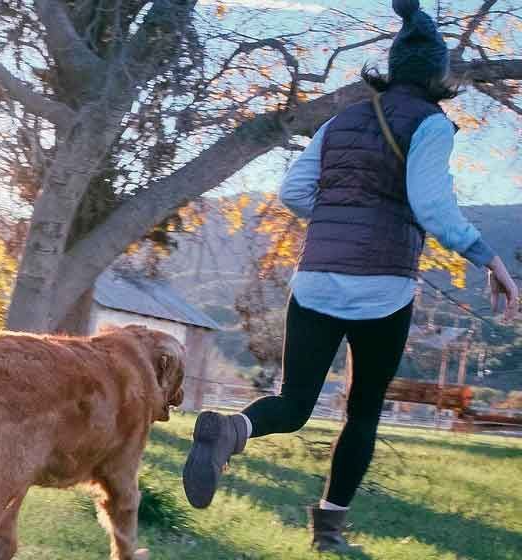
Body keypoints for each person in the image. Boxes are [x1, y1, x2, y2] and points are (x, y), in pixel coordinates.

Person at [180, 0, 520, 552]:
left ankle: (231, 431)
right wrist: (491, 260)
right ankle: (329, 533)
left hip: (314, 279)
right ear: (438, 76)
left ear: (391, 68)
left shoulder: (342, 120)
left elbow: (292, 193)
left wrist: (340, 217)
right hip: (382, 288)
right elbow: (431, 206)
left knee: (293, 403)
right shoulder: (431, 124)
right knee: (361, 413)